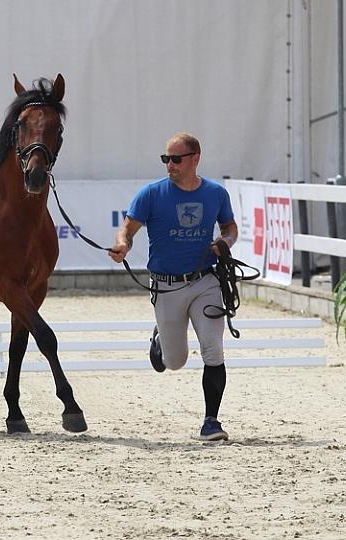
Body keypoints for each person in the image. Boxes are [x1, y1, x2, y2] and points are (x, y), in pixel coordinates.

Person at [109, 132, 238, 441]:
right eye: (166, 159)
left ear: (195, 159)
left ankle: (211, 422)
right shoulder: (151, 194)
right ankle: (160, 341)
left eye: (176, 159)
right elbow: (127, 230)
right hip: (166, 286)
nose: (170, 164)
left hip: (206, 281)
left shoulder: (216, 193)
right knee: (175, 361)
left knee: (213, 349)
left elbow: (230, 227)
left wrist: (225, 242)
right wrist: (122, 245)